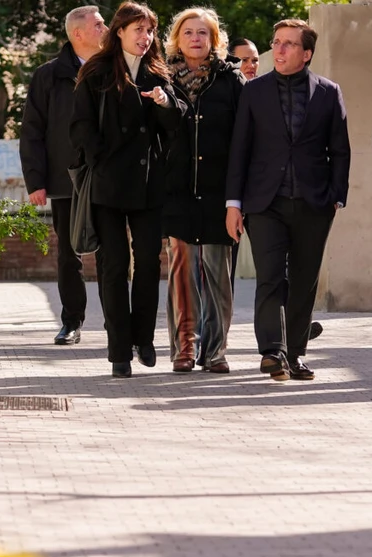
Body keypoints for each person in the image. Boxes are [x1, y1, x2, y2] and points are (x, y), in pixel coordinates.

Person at [224, 18, 350, 381]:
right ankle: (272, 352)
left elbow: (339, 150)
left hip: (314, 202)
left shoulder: (328, 91)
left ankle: (295, 353)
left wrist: (336, 197)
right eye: (276, 42)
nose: (278, 50)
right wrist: (234, 203)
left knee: (304, 279)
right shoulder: (254, 91)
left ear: (306, 53)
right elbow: (240, 150)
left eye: (288, 44)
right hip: (265, 202)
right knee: (270, 278)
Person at [71, 1, 183, 379]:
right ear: (119, 31)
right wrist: (100, 157)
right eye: (138, 29)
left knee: (149, 262)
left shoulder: (156, 72)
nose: (145, 37)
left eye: (150, 30)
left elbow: (176, 121)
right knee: (114, 266)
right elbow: (80, 125)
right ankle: (119, 348)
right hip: (108, 185)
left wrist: (166, 103)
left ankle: (144, 338)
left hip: (149, 184)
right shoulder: (96, 71)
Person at [161, 7, 244, 373]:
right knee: (182, 274)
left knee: (216, 276)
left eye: (203, 33)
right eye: (188, 32)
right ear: (177, 39)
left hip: (218, 193)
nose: (196, 38)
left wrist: (237, 199)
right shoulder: (160, 77)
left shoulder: (231, 80)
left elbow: (244, 142)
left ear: (214, 40)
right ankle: (183, 349)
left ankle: (215, 351)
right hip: (176, 192)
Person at [20, 6, 108, 346]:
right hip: (65, 179)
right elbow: (32, 130)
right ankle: (71, 322)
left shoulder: (115, 68)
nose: (106, 28)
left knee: (111, 251)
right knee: (69, 253)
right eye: (99, 24)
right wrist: (35, 180)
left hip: (107, 176)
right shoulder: (49, 75)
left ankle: (116, 323)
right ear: (78, 34)